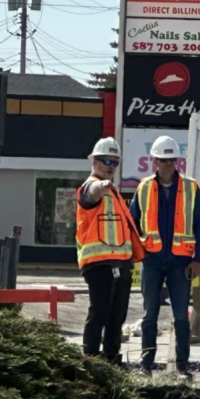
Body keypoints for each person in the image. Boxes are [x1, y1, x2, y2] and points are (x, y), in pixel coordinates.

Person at [129, 135, 200, 379]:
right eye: (163, 160)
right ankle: (146, 366)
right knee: (149, 315)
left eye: (172, 160)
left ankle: (182, 366)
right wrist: (136, 254)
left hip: (179, 262)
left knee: (180, 316)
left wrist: (198, 260)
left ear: (177, 161)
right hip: (151, 261)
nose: (168, 164)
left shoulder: (191, 188)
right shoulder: (143, 188)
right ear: (154, 161)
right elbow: (133, 224)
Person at [76, 137, 143, 364]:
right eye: (106, 160)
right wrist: (101, 186)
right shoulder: (91, 186)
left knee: (117, 316)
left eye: (115, 162)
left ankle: (112, 360)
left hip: (121, 263)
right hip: (99, 264)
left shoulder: (115, 194)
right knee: (100, 313)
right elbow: (91, 193)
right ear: (94, 161)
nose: (111, 166)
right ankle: (92, 360)